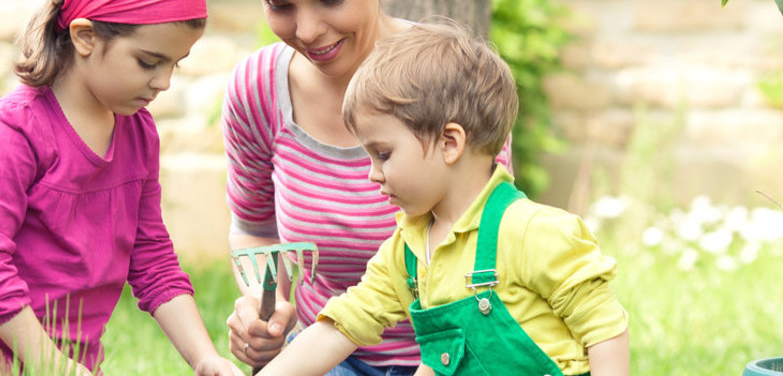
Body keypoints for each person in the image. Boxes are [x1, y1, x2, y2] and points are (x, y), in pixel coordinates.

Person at [224, 0, 514, 375]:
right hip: (326, 356)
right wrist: (267, 310)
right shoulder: (257, 91)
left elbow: (492, 262)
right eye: (279, 4)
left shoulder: (450, 81)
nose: (307, 31)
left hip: (453, 356)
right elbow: (255, 226)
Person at [0, 0, 241, 376]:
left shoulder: (137, 133)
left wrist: (205, 358)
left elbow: (151, 258)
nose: (164, 82)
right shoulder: (12, 134)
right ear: (85, 36)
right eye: (148, 62)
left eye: (176, 63)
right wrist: (51, 365)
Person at [261, 21, 631, 376]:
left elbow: (604, 328)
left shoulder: (532, 232)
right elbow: (341, 328)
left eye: (383, 154)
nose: (372, 172)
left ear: (450, 143)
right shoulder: (407, 251)